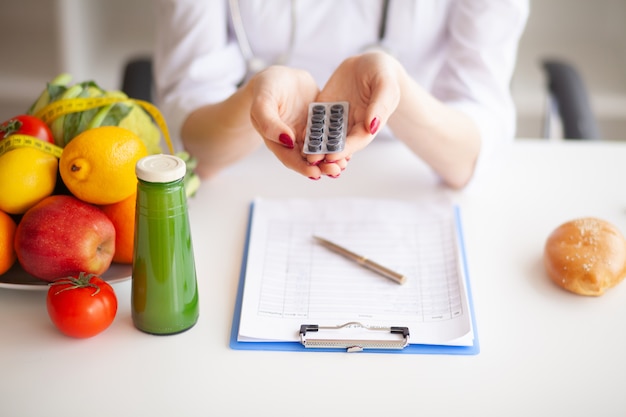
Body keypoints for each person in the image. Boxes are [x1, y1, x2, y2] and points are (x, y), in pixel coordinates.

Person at [154, 0, 529, 189]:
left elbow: (473, 150)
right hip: (249, 174)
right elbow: (194, 146)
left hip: (410, 172)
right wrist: (256, 97)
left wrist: (395, 88)